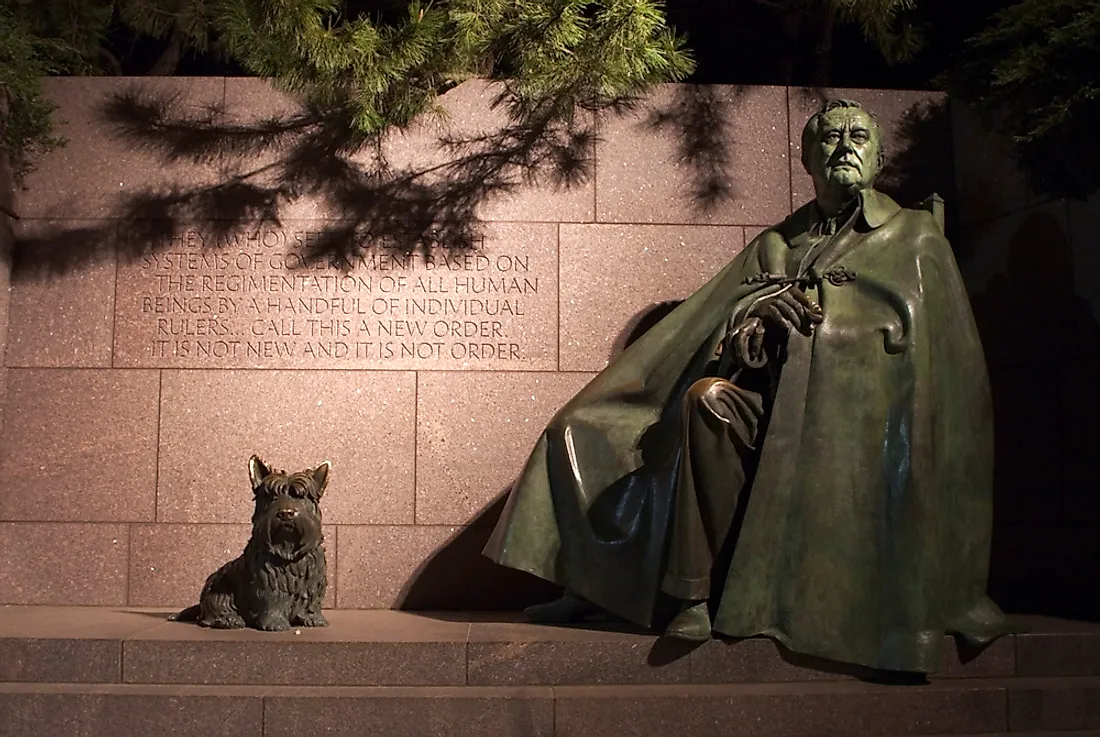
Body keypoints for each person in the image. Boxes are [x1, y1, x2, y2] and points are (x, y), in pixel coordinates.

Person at [483, 99, 1014, 674]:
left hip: (863, 424)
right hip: (769, 403)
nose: (843, 146)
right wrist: (753, 321)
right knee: (681, 406)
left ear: (879, 156)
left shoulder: (912, 235)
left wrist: (820, 316)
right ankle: (660, 589)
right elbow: (718, 326)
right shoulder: (776, 242)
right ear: (808, 159)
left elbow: (927, 349)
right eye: (829, 138)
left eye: (858, 136)